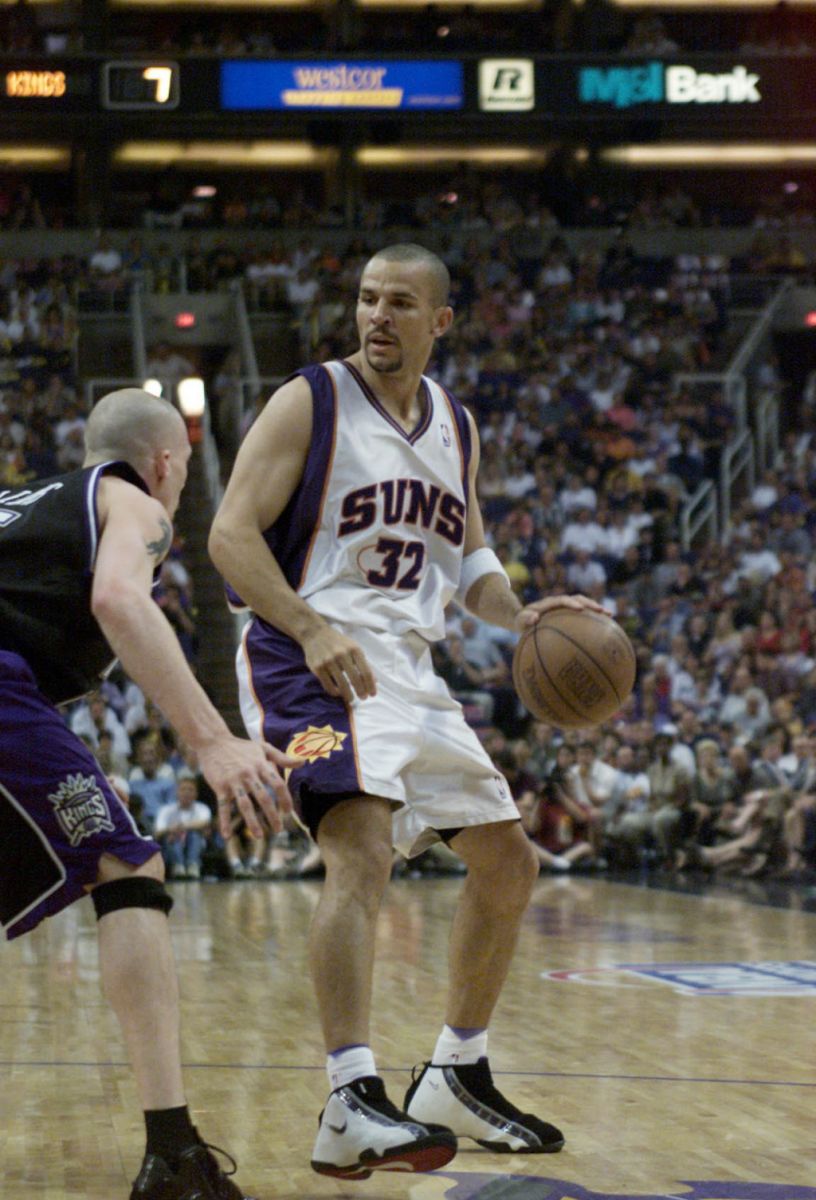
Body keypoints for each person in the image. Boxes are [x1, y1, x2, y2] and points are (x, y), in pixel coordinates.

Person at [209, 243, 604, 1180]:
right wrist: (308, 628)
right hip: (306, 659)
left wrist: (522, 615)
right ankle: (350, 1098)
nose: (377, 316)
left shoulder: (455, 426)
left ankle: (454, 1073)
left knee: (509, 861)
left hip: (409, 671)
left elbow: (468, 560)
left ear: (441, 322)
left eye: (399, 303)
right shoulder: (312, 399)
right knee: (360, 844)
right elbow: (228, 536)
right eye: (366, 299)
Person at [0, 387, 297, 1200]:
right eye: (180, 470)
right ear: (166, 463)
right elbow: (119, 598)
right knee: (126, 866)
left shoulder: (21, 503)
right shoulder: (134, 503)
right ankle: (172, 1153)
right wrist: (212, 741)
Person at [155, 774, 212, 879]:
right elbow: (158, 832)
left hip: (196, 845)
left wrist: (181, 827)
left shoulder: (202, 808)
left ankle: (193, 866)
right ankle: (178, 866)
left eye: (190, 790)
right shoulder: (166, 810)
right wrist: (170, 829)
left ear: (196, 794)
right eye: (183, 789)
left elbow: (205, 822)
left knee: (194, 833)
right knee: (173, 834)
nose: (186, 793)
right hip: (171, 845)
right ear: (177, 792)